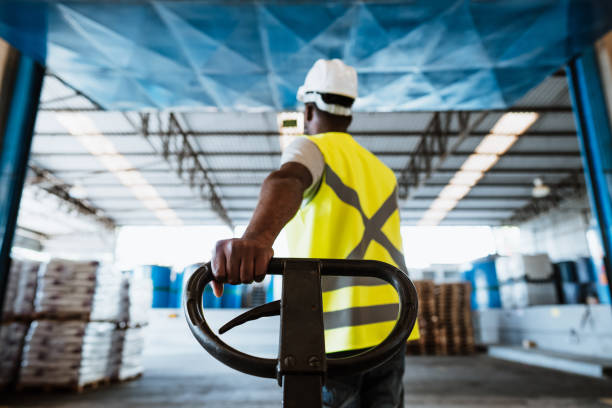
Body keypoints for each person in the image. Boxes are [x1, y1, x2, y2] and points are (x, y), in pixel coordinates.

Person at [211, 59, 418, 407]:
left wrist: (258, 239)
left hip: (328, 340)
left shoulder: (311, 147)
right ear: (349, 114)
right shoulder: (381, 170)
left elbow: (287, 180)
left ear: (308, 109)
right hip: (392, 331)